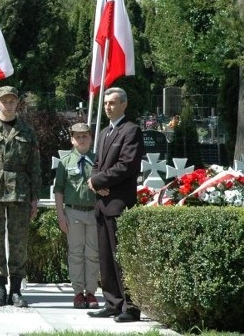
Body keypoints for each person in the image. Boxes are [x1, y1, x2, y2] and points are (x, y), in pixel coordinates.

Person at [0, 86, 42, 308]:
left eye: (12, 101)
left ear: (17, 103)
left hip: (20, 191)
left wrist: (34, 198)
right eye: (5, 101)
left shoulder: (27, 131)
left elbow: (35, 166)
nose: (9, 104)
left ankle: (16, 290)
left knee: (18, 241)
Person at [87, 87, 145, 323]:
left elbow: (127, 165)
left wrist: (99, 180)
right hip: (102, 203)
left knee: (121, 256)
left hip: (119, 202)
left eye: (112, 103)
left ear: (124, 105)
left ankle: (131, 307)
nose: (108, 107)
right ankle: (112, 303)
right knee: (105, 257)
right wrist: (94, 182)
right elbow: (97, 163)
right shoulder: (103, 133)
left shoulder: (131, 131)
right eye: (106, 103)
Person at [54, 123, 100, 309]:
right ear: (72, 139)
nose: (81, 139)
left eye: (85, 136)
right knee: (75, 254)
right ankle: (78, 293)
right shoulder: (65, 162)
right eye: (78, 136)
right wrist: (60, 215)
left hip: (94, 212)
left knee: (93, 254)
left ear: (90, 138)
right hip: (73, 212)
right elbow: (58, 191)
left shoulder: (98, 161)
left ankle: (91, 293)